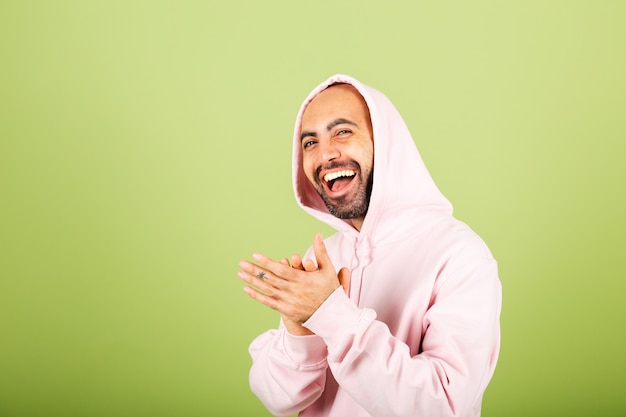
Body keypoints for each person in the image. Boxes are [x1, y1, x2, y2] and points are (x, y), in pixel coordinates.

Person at [237, 74, 502, 417]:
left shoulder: (460, 255)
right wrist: (298, 332)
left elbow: (443, 405)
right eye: (310, 142)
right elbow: (278, 398)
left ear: (387, 143)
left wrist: (329, 313)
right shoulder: (323, 257)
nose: (325, 154)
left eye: (343, 131)